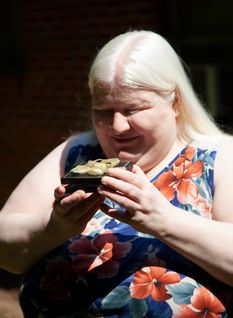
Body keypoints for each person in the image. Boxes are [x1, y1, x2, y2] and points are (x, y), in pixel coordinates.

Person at [0, 30, 233, 317]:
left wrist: (164, 220)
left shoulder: (218, 157)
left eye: (132, 109)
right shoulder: (78, 153)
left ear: (175, 102)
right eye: (104, 110)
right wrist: (55, 228)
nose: (118, 126)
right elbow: (5, 251)